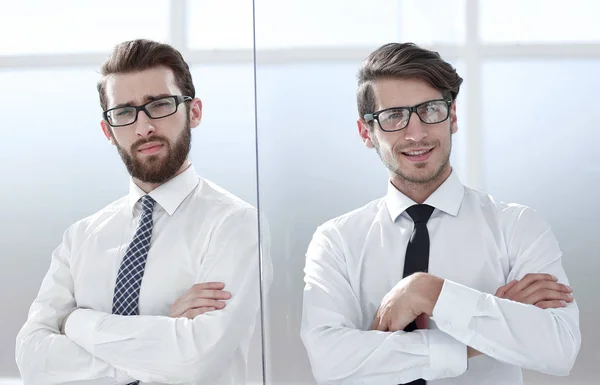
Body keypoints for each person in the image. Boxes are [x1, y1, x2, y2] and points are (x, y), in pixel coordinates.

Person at [300, 42, 581, 385]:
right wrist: (484, 329)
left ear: (453, 117)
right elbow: (331, 363)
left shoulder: (517, 227)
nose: (416, 133)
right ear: (366, 133)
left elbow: (558, 348)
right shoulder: (337, 241)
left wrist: (428, 291)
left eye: (431, 110)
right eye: (394, 116)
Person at [15, 39, 270, 385]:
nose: (143, 127)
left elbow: (194, 362)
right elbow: (33, 359)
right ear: (108, 130)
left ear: (193, 112)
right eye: (124, 112)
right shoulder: (81, 237)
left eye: (160, 105)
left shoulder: (235, 225)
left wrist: (75, 323)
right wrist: (164, 329)